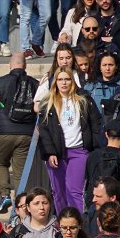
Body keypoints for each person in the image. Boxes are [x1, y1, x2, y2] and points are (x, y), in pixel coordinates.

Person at [37, 68, 101, 216]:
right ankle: (63, 222)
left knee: (74, 190)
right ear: (55, 82)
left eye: (67, 79)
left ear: (72, 81)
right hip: (57, 152)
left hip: (79, 150)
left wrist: (94, 145)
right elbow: (44, 130)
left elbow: (96, 123)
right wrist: (50, 152)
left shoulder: (83, 99)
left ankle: (77, 222)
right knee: (58, 191)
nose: (64, 83)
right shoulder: (48, 102)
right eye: (60, 79)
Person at [0, 53, 39, 202]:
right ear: (25, 65)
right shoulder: (35, 83)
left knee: (0, 162)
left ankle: (5, 195)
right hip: (26, 134)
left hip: (3, 132)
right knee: (20, 172)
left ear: (10, 65)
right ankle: (21, 202)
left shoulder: (0, 82)